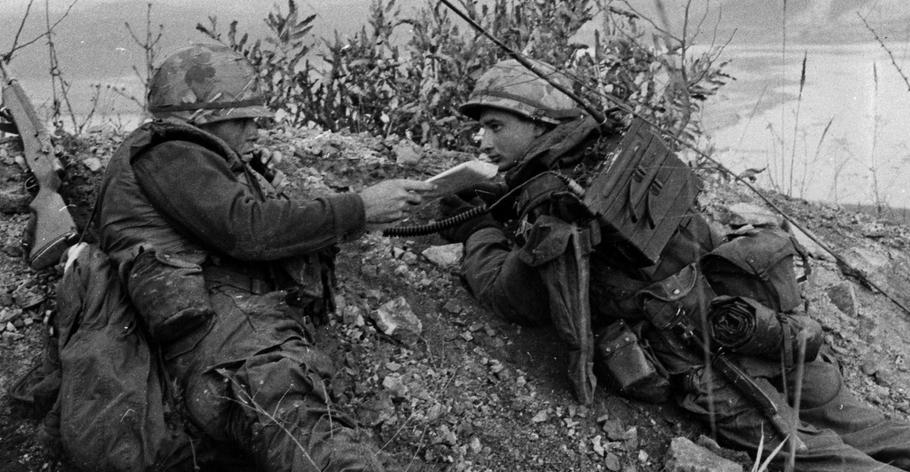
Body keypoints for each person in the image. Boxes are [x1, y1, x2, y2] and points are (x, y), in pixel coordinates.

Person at [437, 57, 910, 472]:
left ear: (541, 125)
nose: (481, 139)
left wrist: (480, 230)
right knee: (874, 432)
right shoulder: (618, 152)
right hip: (764, 326)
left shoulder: (559, 203)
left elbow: (507, 296)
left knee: (815, 459)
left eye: (496, 126)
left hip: (709, 367)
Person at [92, 43, 435, 471]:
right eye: (243, 120)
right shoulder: (169, 151)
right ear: (202, 119)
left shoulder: (183, 156)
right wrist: (360, 208)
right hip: (236, 338)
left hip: (231, 339)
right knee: (317, 443)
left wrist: (251, 173)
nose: (256, 131)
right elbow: (248, 231)